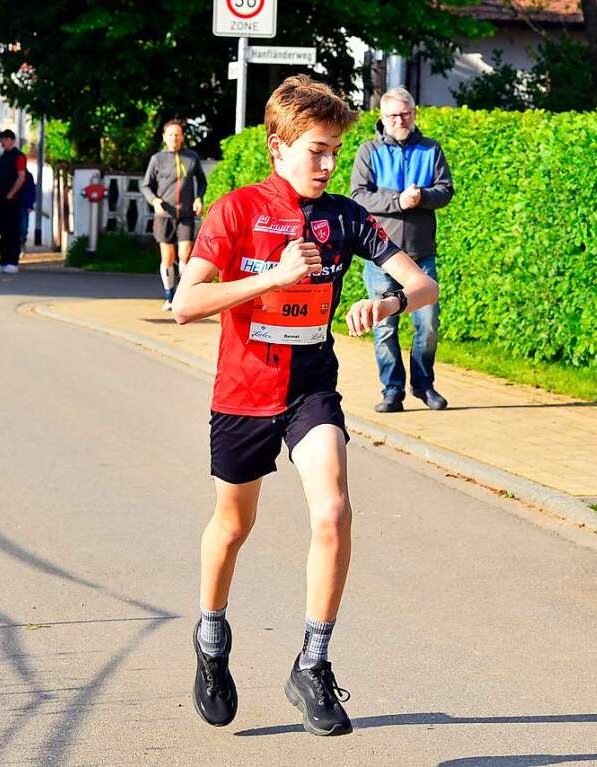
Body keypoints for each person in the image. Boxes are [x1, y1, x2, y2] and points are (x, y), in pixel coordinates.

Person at [171, 75, 438, 736]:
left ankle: (311, 663)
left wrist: (387, 302)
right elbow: (184, 304)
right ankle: (210, 643)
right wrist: (276, 277)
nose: (326, 164)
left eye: (333, 152)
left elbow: (423, 282)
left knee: (335, 509)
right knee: (233, 526)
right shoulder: (235, 211)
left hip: (309, 388)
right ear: (278, 148)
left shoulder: (345, 216)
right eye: (316, 151)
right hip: (241, 391)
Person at [351, 86, 454, 413]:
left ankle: (424, 387)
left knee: (428, 326)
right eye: (394, 115)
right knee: (384, 328)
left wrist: (423, 197)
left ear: (415, 113)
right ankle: (392, 390)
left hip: (422, 255)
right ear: (382, 117)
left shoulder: (431, 149)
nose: (400, 120)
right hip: (382, 256)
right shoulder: (368, 151)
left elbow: (446, 191)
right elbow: (357, 196)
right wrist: (398, 201)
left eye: (406, 113)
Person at [141, 119, 208, 310]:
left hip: (186, 214)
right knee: (168, 258)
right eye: (170, 135)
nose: (174, 138)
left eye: (177, 135)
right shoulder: (157, 159)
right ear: (164, 137)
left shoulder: (191, 157)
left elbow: (202, 182)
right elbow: (146, 186)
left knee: (185, 254)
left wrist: (198, 198)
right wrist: (154, 201)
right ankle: (169, 294)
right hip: (164, 215)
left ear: (182, 137)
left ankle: (182, 294)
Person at [0, 129, 26, 274]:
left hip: (13, 200)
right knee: (2, 232)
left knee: (12, 232)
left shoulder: (19, 157)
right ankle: (3, 261)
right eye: (1, 140)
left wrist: (11, 194)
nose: (1, 142)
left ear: (11, 140)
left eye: (3, 139)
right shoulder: (2, 158)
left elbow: (21, 177)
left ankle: (12, 261)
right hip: (1, 199)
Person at [19, 168, 36, 252]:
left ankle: (22, 243)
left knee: (24, 227)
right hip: (13, 205)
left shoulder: (28, 176)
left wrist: (30, 204)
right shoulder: (11, 173)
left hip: (24, 205)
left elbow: (32, 190)